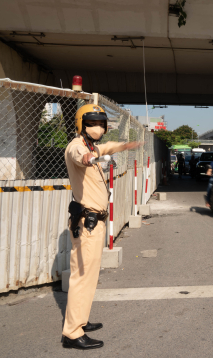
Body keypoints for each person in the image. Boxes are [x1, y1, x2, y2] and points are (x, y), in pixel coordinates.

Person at [62, 104, 143, 350]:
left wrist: (126, 145)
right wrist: (87, 158)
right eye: (92, 123)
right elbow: (80, 156)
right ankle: (72, 333)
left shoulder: (93, 147)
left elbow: (106, 148)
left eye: (101, 124)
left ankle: (80, 321)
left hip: (94, 222)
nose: (97, 128)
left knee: (90, 277)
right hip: (87, 223)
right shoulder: (78, 147)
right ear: (81, 125)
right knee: (83, 277)